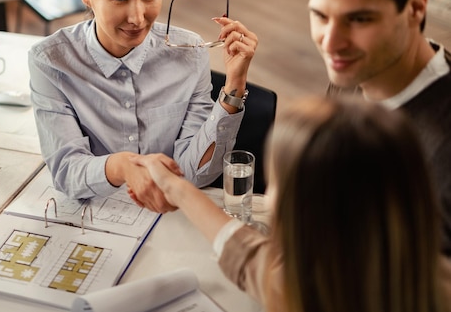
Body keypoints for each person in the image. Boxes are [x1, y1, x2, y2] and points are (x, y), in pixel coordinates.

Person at [28, 0, 258, 213]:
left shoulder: (189, 55)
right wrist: (123, 166)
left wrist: (233, 87)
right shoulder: (51, 63)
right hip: (98, 217)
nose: (137, 17)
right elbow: (67, 172)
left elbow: (195, 174)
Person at [135, 96, 451, 312]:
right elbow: (247, 253)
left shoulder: (301, 290)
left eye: (275, 185)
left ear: (309, 212)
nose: (268, 197)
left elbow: (257, 265)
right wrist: (176, 188)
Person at [300, 0, 451, 255]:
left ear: (415, 7)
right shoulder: (355, 68)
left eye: (359, 19)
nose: (331, 42)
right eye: (321, 15)